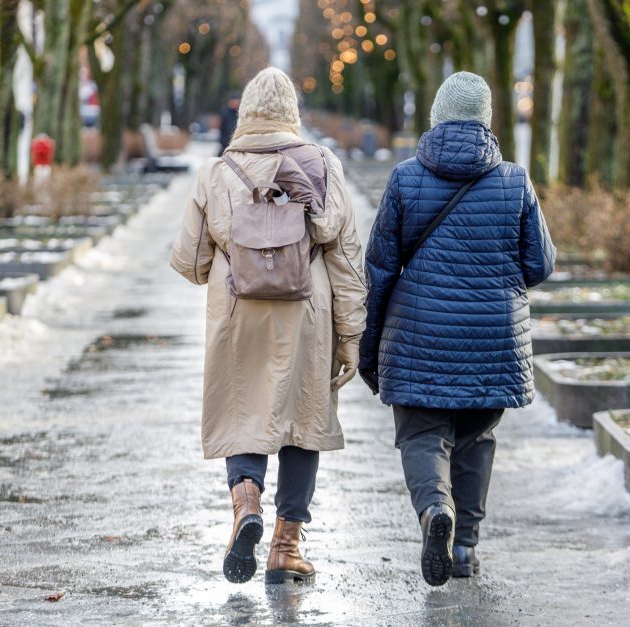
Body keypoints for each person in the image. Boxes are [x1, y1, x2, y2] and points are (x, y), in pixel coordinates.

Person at [358, 71, 556, 587]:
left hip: (419, 338)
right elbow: (540, 263)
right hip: (493, 341)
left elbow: (379, 269)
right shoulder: (514, 179)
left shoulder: (405, 177)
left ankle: (433, 511)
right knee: (476, 439)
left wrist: (369, 348)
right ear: (487, 119)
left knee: (422, 435)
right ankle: (465, 545)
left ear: (436, 117)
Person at [170, 67, 367, 585]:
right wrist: (350, 337)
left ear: (246, 114)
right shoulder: (322, 164)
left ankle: (245, 503)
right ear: (292, 114)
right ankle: (286, 546)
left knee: (243, 409)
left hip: (239, 311)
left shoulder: (216, 173)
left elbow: (190, 262)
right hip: (307, 313)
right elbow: (345, 258)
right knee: (304, 420)